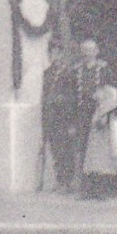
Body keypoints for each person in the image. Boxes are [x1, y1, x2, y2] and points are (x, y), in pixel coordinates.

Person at [40, 40, 81, 192]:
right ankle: (60, 179)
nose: (54, 56)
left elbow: (73, 97)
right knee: (56, 149)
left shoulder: (68, 73)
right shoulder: (47, 73)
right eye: (52, 53)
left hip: (64, 117)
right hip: (51, 117)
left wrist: (61, 101)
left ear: (62, 54)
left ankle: (68, 181)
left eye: (57, 52)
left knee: (66, 150)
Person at [80, 84, 117, 198]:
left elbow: (112, 107)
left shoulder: (112, 92)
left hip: (109, 126)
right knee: (95, 157)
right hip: (98, 125)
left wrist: (105, 116)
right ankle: (93, 189)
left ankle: (105, 189)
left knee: (107, 157)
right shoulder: (100, 90)